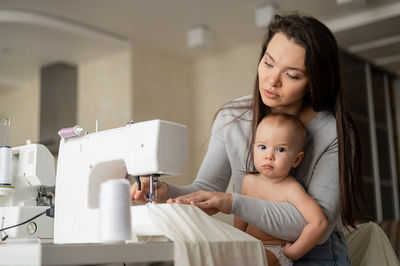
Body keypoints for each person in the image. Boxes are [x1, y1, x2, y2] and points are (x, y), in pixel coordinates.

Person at [131, 12, 363, 265]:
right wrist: (165, 192)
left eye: (292, 75)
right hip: (255, 247)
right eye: (268, 63)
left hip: (316, 251)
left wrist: (233, 202)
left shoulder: (332, 132)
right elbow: (208, 190)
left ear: (313, 82)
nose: (272, 81)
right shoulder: (233, 118)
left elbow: (318, 225)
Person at [235, 112, 327, 266]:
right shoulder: (248, 181)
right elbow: (240, 213)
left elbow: (319, 222)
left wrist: (294, 252)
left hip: (275, 250)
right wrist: (235, 239)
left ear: (296, 159)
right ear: (253, 149)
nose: (269, 156)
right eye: (262, 147)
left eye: (280, 150)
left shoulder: (291, 189)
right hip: (249, 245)